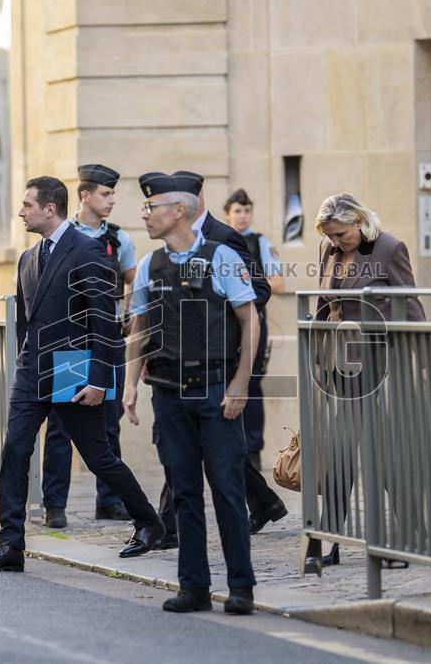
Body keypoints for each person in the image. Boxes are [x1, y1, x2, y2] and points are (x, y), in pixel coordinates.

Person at [0, 176, 164, 572]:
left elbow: (103, 322)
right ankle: (11, 545)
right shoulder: (27, 259)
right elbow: (27, 323)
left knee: (99, 457)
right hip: (32, 372)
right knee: (14, 452)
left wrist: (98, 380)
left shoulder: (88, 250)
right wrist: (24, 363)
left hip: (74, 368)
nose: (21, 212)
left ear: (49, 208)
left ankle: (149, 523)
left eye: (27, 205)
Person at [123, 171, 258, 614]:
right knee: (183, 494)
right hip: (168, 394)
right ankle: (193, 586)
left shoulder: (221, 257)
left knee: (227, 491)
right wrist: (129, 386)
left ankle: (241, 588)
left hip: (217, 392)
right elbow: (139, 328)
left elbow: (250, 320)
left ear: (177, 211)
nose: (145, 215)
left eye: (152, 207)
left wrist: (240, 384)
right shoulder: (148, 265)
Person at [154, 173, 288, 539]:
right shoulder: (172, 238)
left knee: (194, 442)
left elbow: (258, 288)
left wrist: (220, 309)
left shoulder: (225, 237)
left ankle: (166, 526)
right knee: (189, 441)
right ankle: (262, 502)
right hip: (181, 353)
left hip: (219, 355)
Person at [308, 193, 425, 572]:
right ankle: (337, 537)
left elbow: (410, 304)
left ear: (358, 222)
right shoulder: (328, 249)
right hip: (342, 363)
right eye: (331, 236)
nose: (336, 242)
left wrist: (426, 360)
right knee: (350, 448)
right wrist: (316, 354)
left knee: (374, 450)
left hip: (381, 360)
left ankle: (406, 529)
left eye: (341, 234)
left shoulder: (390, 248)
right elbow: (324, 305)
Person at [40, 164, 136, 527]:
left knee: (109, 423)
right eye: (105, 194)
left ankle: (109, 501)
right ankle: (55, 504)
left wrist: (129, 311)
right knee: (62, 423)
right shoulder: (63, 235)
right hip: (70, 340)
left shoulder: (118, 238)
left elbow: (133, 278)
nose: (111, 200)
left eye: (112, 194)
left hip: (107, 338)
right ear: (85, 195)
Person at [223, 189, 283, 470]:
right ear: (227, 214)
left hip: (254, 322)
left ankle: (253, 451)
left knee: (252, 384)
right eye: (237, 211)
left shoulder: (260, 243)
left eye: (246, 211)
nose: (242, 216)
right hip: (224, 325)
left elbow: (279, 283)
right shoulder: (219, 242)